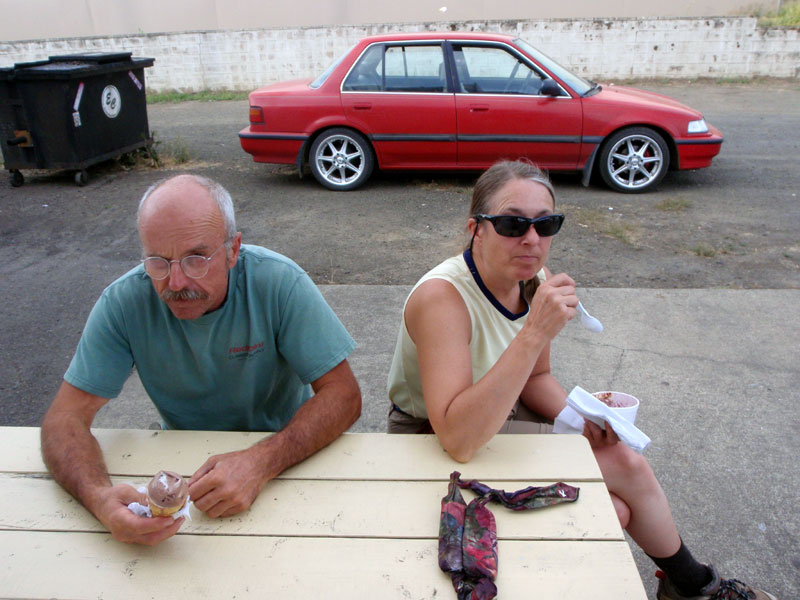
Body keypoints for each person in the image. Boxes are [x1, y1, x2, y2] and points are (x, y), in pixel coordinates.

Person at [387, 160, 776, 600]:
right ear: (476, 228)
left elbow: (536, 377)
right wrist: (535, 331)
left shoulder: (533, 280)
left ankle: (683, 585)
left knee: (614, 499)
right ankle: (695, 585)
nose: (531, 239)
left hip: (498, 415)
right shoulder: (443, 298)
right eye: (513, 224)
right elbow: (457, 437)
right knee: (622, 474)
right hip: (429, 438)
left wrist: (583, 417)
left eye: (546, 224)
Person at [41, 174, 361, 546]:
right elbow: (63, 418)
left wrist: (263, 460)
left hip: (289, 456)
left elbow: (344, 395)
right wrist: (98, 499)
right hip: (184, 468)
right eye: (158, 261)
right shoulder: (123, 302)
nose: (176, 282)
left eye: (196, 259)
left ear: (233, 250)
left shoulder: (280, 282)